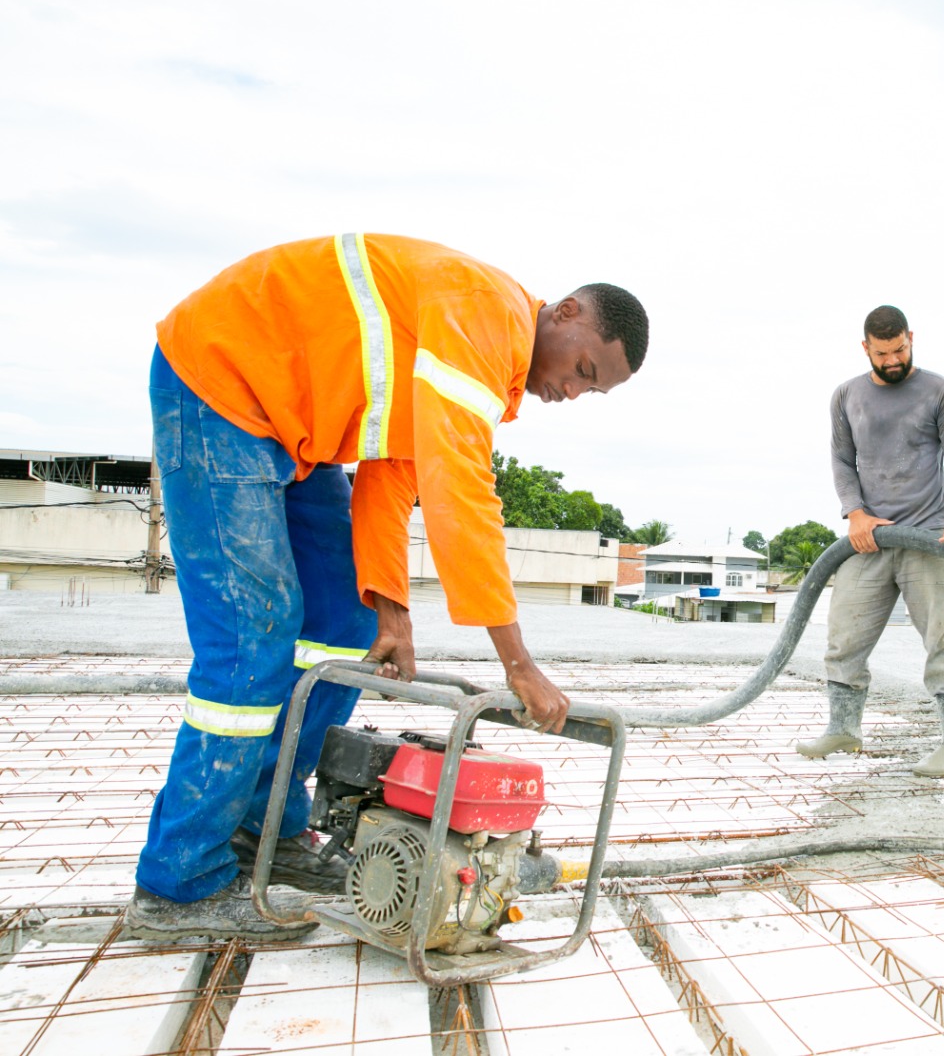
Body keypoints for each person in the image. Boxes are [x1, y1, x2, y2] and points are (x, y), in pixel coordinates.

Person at [125, 233, 648, 940]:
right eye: (583, 368)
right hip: (221, 387)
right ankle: (177, 883)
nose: (571, 391)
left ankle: (266, 832)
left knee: (346, 626)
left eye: (592, 389)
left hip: (297, 428)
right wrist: (516, 663)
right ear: (566, 311)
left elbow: (394, 473)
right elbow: (460, 495)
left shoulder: (471, 353)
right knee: (253, 643)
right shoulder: (485, 317)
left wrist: (393, 618)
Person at [798, 304, 944, 778]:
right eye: (883, 353)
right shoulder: (846, 396)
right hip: (868, 539)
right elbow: (842, 459)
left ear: (911, 338)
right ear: (866, 349)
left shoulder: (941, 392)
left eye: (900, 349)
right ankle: (843, 729)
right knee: (843, 637)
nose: (894, 359)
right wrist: (855, 514)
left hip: (929, 537)